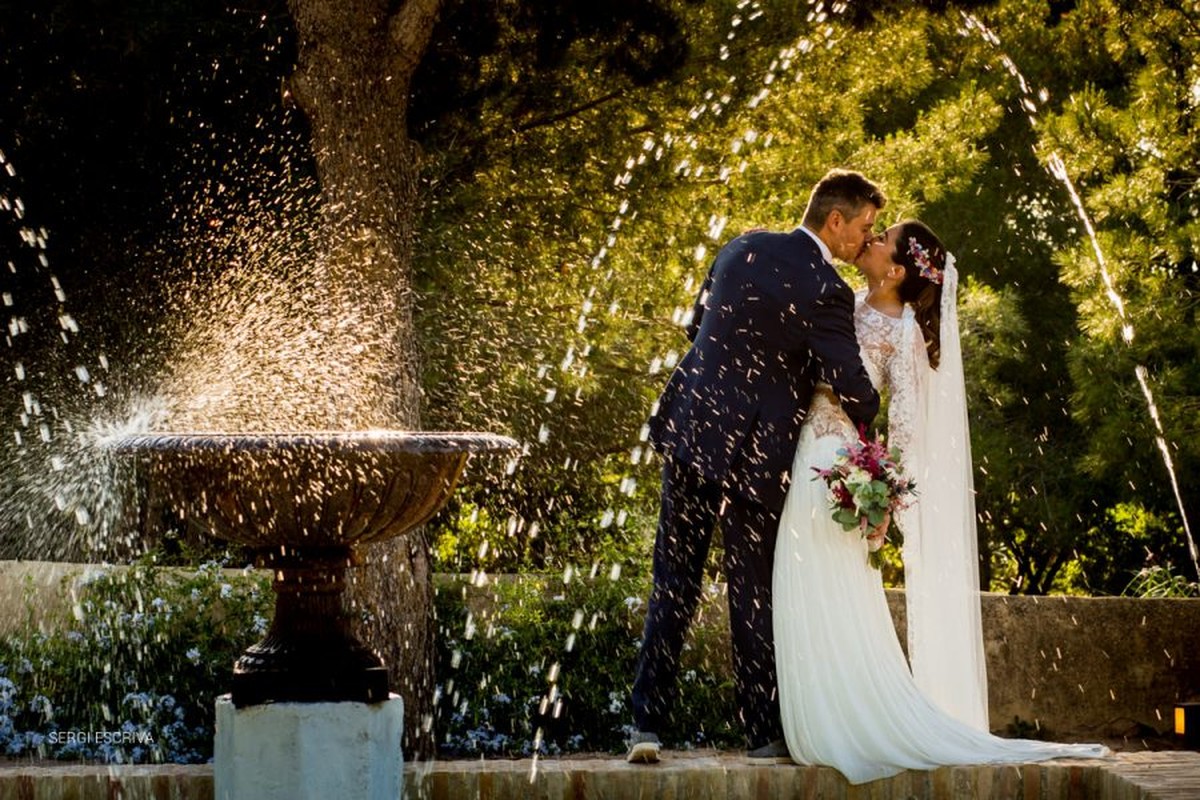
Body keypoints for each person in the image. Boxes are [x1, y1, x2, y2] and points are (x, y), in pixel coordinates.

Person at [772, 219, 1111, 783]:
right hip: (804, 447)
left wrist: (880, 499)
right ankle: (815, 715)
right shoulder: (845, 298)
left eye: (883, 240)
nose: (872, 241)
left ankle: (847, 723)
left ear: (898, 270)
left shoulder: (904, 333)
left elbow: (902, 429)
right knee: (800, 583)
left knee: (831, 588)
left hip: (837, 464)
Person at [627, 169, 886, 763]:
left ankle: (646, 725)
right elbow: (852, 383)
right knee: (751, 591)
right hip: (756, 453)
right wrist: (863, 405)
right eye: (863, 228)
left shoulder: (740, 246)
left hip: (694, 429)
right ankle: (762, 733)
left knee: (673, 579)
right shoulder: (827, 288)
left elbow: (698, 328)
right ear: (835, 220)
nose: (863, 243)